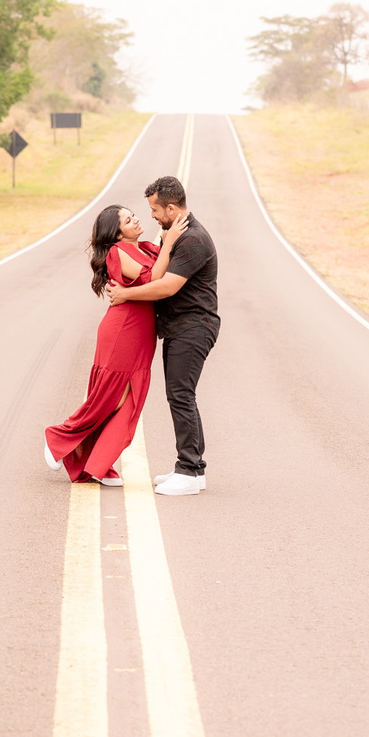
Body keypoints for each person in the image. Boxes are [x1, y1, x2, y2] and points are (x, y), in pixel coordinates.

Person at [44, 204, 188, 485]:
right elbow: (153, 278)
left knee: (127, 404)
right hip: (123, 330)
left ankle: (98, 463)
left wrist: (165, 243)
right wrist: (169, 240)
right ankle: (58, 438)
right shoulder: (118, 252)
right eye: (127, 219)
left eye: (133, 215)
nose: (135, 219)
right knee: (110, 399)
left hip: (142, 333)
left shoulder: (146, 248)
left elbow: (164, 273)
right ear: (116, 233)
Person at [107, 175, 219, 497]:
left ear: (171, 208)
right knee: (181, 395)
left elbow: (167, 286)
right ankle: (192, 470)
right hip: (181, 327)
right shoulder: (178, 234)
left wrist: (128, 295)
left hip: (194, 326)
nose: (152, 216)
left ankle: (188, 470)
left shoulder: (192, 239)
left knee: (181, 394)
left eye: (156, 210)